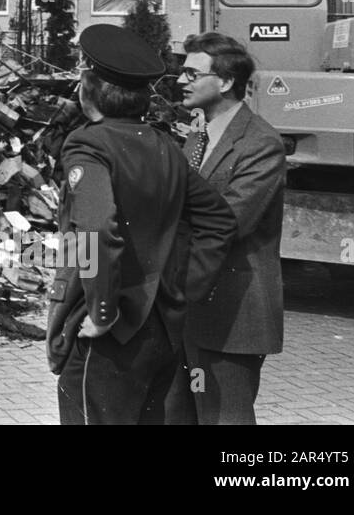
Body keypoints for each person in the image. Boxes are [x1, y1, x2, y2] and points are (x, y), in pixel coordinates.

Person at [48, 23, 236, 425]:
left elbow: (96, 232)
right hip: (160, 330)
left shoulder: (88, 145)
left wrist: (101, 311)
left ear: (90, 88)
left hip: (109, 335)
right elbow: (218, 220)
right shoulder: (165, 145)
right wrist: (180, 289)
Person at [166, 31, 285, 425]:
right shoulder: (198, 136)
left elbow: (230, 221)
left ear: (227, 81)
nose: (182, 80)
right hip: (190, 310)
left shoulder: (260, 143)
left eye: (192, 73)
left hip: (233, 317)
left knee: (223, 419)